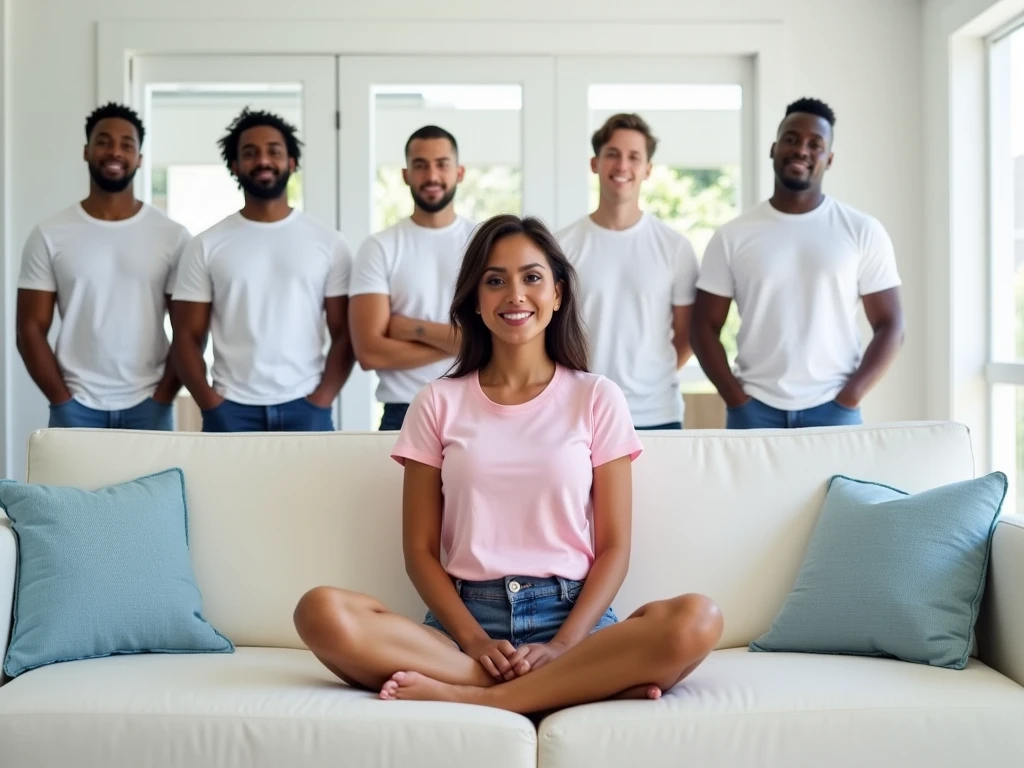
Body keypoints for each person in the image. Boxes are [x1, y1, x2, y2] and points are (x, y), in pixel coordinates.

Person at [293, 214, 722, 714]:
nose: (514, 294)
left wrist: (563, 645)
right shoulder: (436, 402)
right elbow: (419, 551)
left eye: (532, 278)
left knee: (698, 619)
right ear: (476, 301)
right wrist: (474, 642)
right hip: (467, 624)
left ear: (557, 294)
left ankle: (474, 695)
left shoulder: (597, 397)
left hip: (573, 619)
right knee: (320, 612)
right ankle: (568, 686)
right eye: (495, 281)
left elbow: (614, 548)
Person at [691, 97, 905, 429]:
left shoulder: (862, 230)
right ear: (774, 148)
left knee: (836, 486)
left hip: (834, 410)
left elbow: (891, 325)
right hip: (753, 410)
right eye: (791, 139)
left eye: (815, 144)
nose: (801, 149)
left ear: (829, 159)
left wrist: (849, 397)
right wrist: (736, 398)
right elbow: (702, 326)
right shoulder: (733, 235)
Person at [171, 108, 354, 432]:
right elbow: (186, 336)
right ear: (235, 166)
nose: (263, 161)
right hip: (231, 409)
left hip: (306, 407)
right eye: (250, 153)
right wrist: (210, 404)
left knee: (311, 487)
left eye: (274, 151)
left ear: (292, 162)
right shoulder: (206, 244)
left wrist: (322, 399)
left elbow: (344, 334)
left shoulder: (328, 242)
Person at [16, 102, 190, 430]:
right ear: (86, 151)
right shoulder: (50, 234)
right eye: (103, 141)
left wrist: (164, 397)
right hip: (76, 405)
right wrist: (61, 400)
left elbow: (188, 330)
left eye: (127, 144)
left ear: (139, 157)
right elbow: (29, 329)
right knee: (71, 485)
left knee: (156, 485)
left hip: (149, 403)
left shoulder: (172, 236)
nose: (115, 152)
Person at [556, 113, 699, 431]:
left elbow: (688, 336)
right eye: (613, 154)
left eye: (634, 157)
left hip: (657, 414)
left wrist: (649, 378)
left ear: (647, 170)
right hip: (578, 412)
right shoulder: (560, 246)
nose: (622, 166)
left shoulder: (675, 247)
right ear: (595, 163)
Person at [348, 125, 477, 431]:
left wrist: (413, 329)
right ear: (406, 175)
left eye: (442, 164)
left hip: (475, 407)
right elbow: (369, 352)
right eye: (420, 165)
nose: (431, 176)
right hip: (403, 413)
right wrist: (465, 343)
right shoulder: (380, 247)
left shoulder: (483, 242)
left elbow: (500, 339)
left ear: (459, 172)